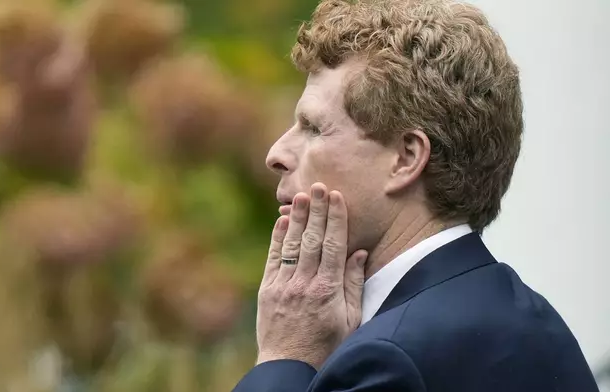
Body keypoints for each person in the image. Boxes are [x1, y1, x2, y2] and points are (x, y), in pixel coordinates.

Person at [233, 0, 599, 391]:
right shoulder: (535, 319)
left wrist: (285, 355)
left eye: (313, 128)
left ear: (406, 158)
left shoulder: (388, 358)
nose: (277, 154)